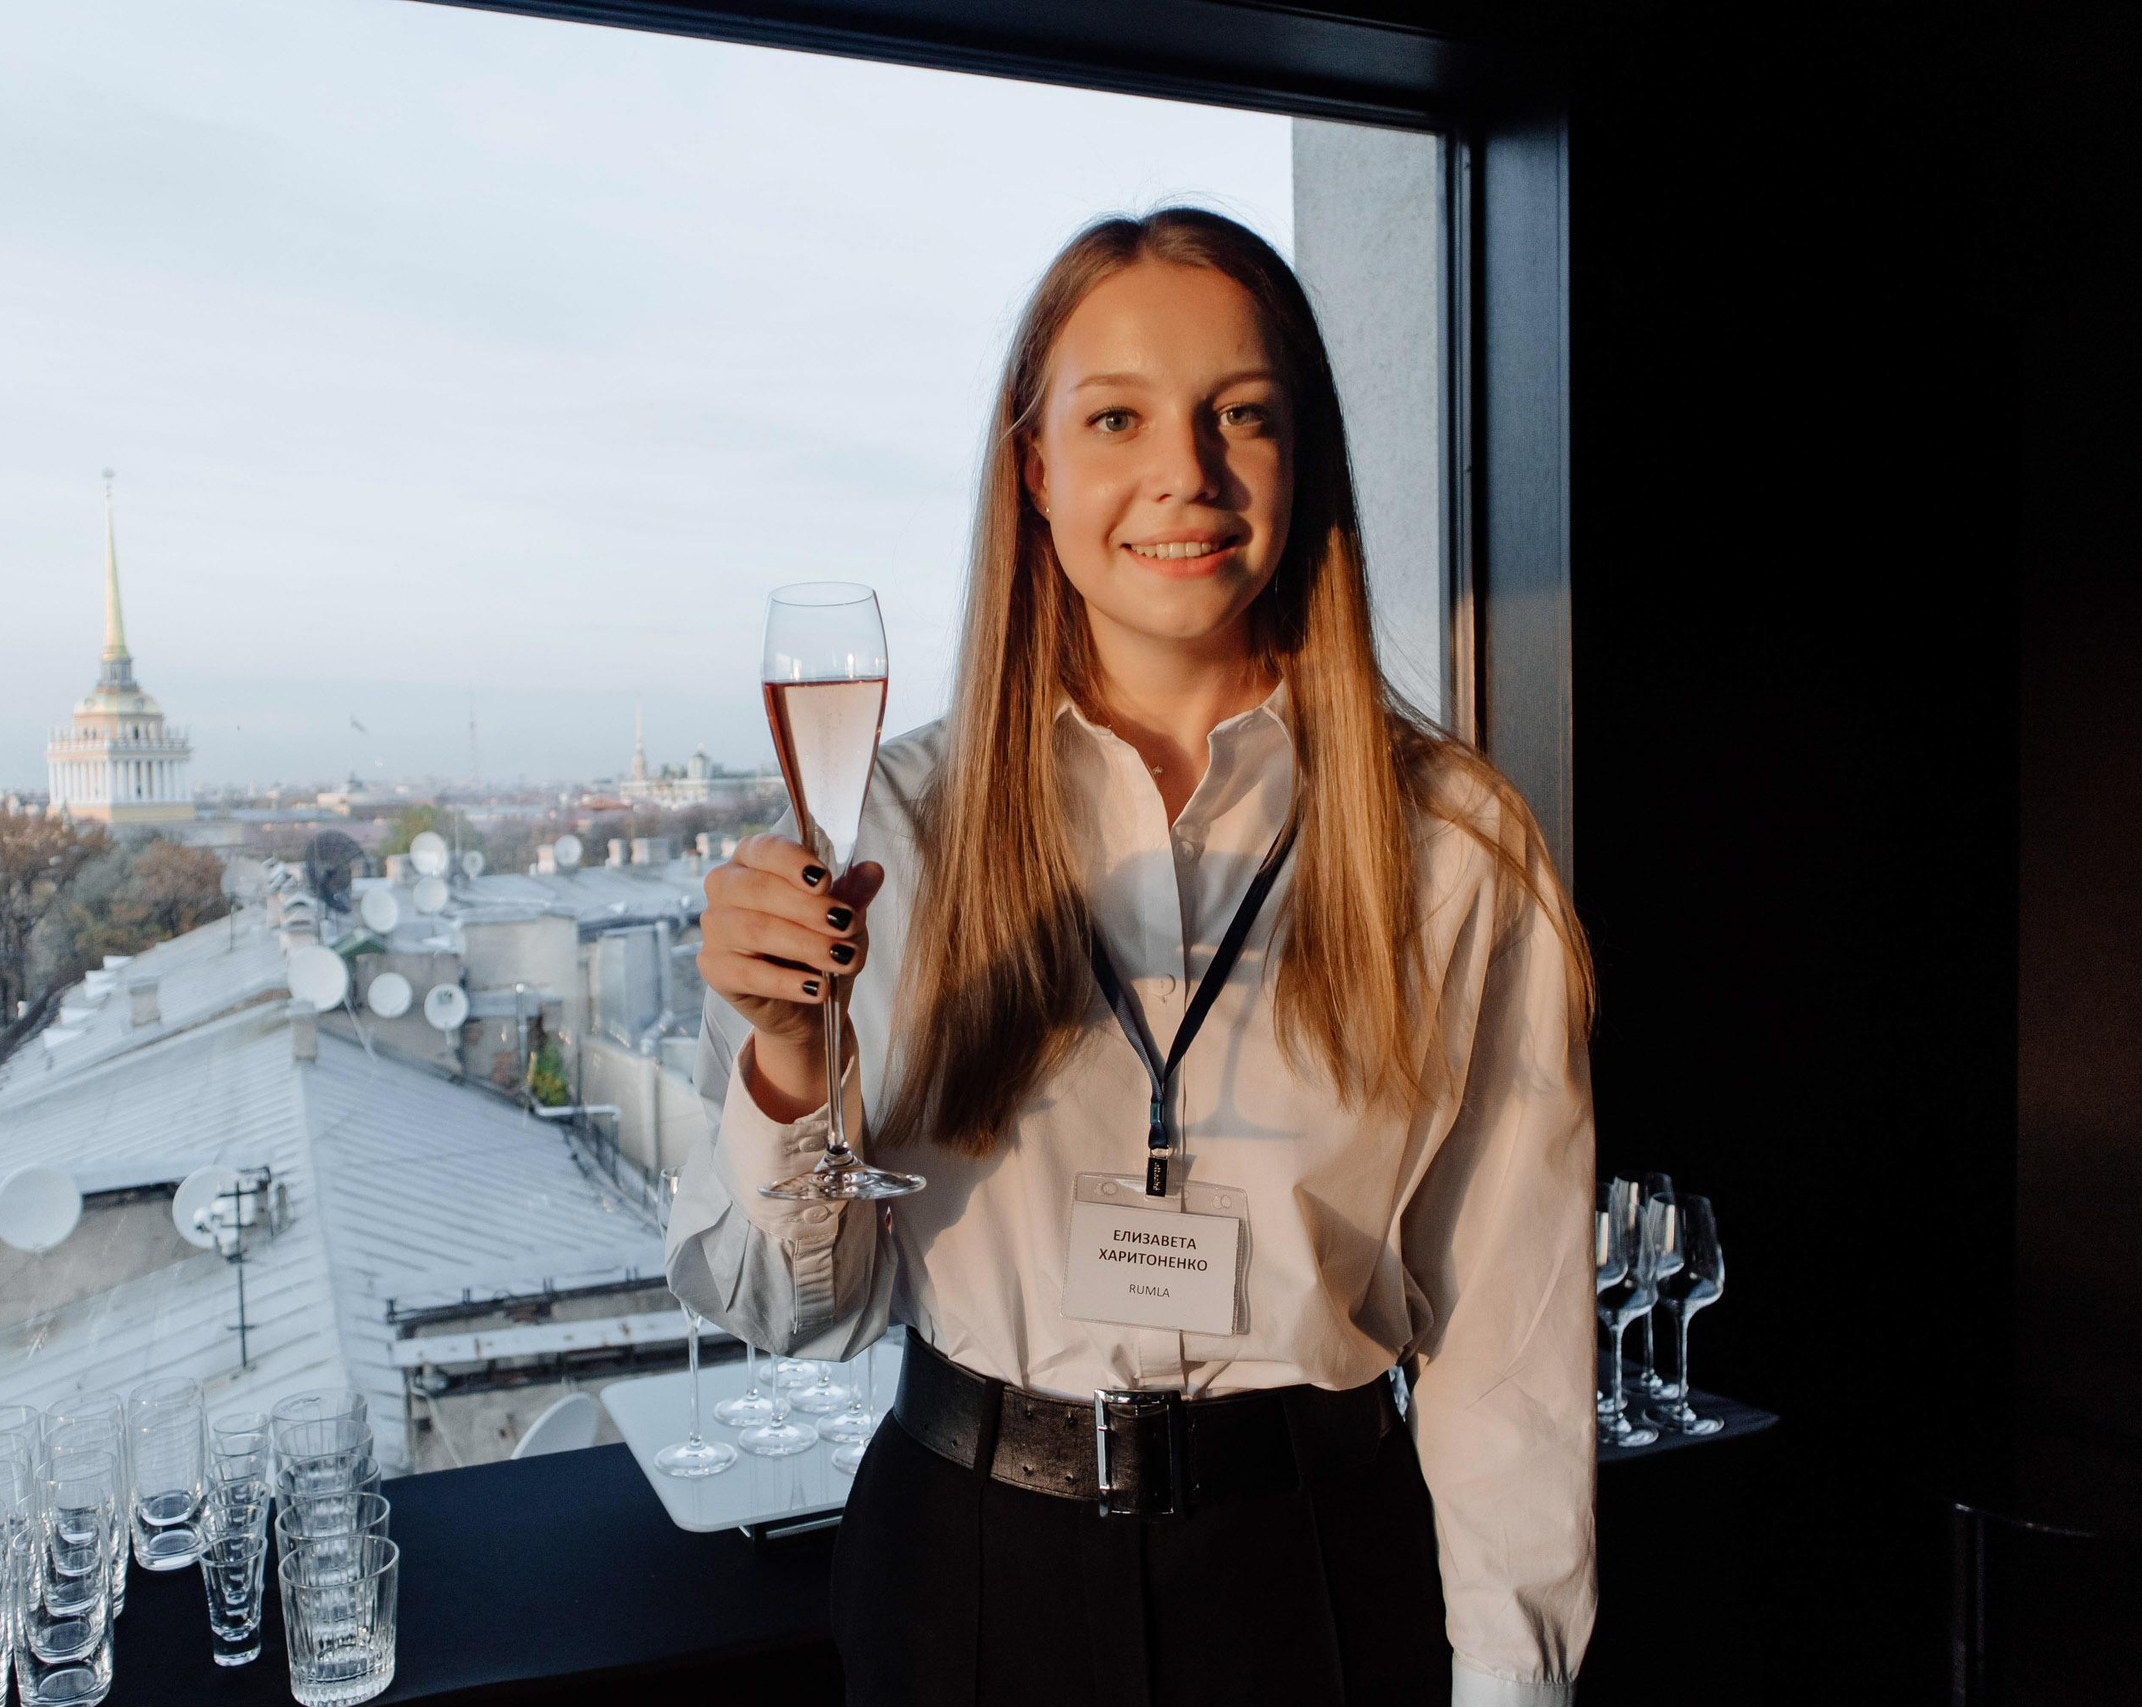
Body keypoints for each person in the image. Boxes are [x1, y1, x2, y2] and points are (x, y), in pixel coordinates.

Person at [666, 207, 1595, 1707]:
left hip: (1319, 1571)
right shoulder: (890, 828)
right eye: (1117, 418)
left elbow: (1513, 1336)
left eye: (1244, 415)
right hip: (968, 1579)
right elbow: (795, 1314)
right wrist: (787, 1062)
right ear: (1034, 470)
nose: (1188, 473)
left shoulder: (1453, 844)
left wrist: (1515, 1685)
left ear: (1304, 461)